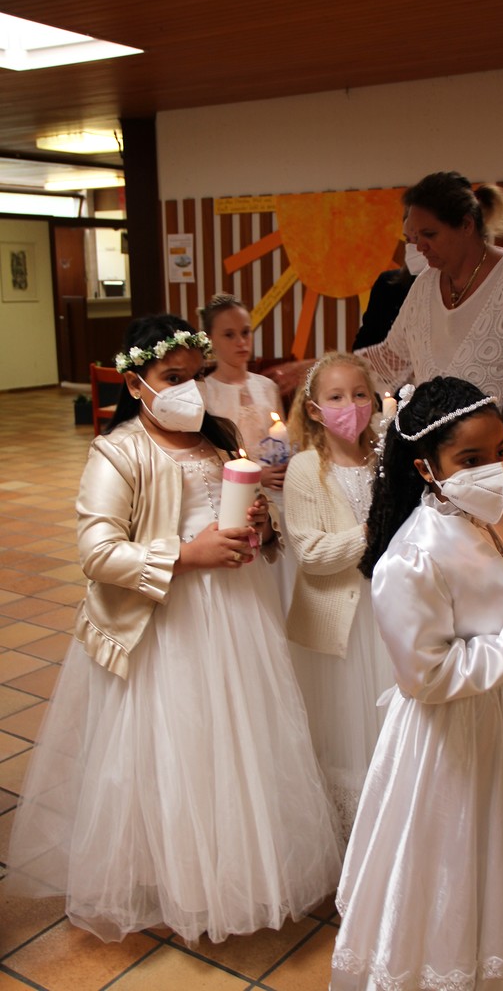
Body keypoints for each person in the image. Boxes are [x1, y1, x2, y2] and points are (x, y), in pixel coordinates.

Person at [7, 315, 342, 944]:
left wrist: (260, 525)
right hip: (166, 620)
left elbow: (238, 512)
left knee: (236, 734)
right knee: (174, 739)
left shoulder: (218, 439)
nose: (188, 389)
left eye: (195, 376)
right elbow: (97, 552)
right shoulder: (119, 451)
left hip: (234, 614)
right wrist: (186, 554)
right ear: (137, 383)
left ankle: (235, 865)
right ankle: (173, 876)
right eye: (171, 378)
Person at [330, 375, 503, 991]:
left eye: (502, 452)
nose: (495, 470)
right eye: (471, 459)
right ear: (426, 468)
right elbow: (427, 676)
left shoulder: (496, 523)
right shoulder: (412, 557)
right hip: (451, 740)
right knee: (451, 866)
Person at [283, 352, 393, 840]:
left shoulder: (387, 460)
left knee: (388, 719)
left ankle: (391, 820)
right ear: (314, 409)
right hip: (339, 622)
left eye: (360, 395)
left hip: (388, 608)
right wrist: (371, 533)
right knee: (345, 728)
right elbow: (310, 553)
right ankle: (349, 833)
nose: (350, 406)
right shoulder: (306, 469)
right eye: (336, 397)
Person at [357, 171, 503, 405]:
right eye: (415, 238)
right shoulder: (425, 284)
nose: (420, 247)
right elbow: (391, 358)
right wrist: (336, 372)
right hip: (431, 429)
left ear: (466, 225)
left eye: (429, 234)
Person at [199, 292, 287, 493]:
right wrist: (255, 476)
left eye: (245, 332)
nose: (241, 342)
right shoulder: (205, 392)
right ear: (211, 339)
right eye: (229, 335)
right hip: (229, 490)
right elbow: (206, 460)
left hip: (275, 489)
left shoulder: (267, 387)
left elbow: (282, 440)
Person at [352, 220, 427, 351]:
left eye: (417, 239)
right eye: (408, 239)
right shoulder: (388, 284)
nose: (412, 247)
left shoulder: (455, 288)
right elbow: (365, 342)